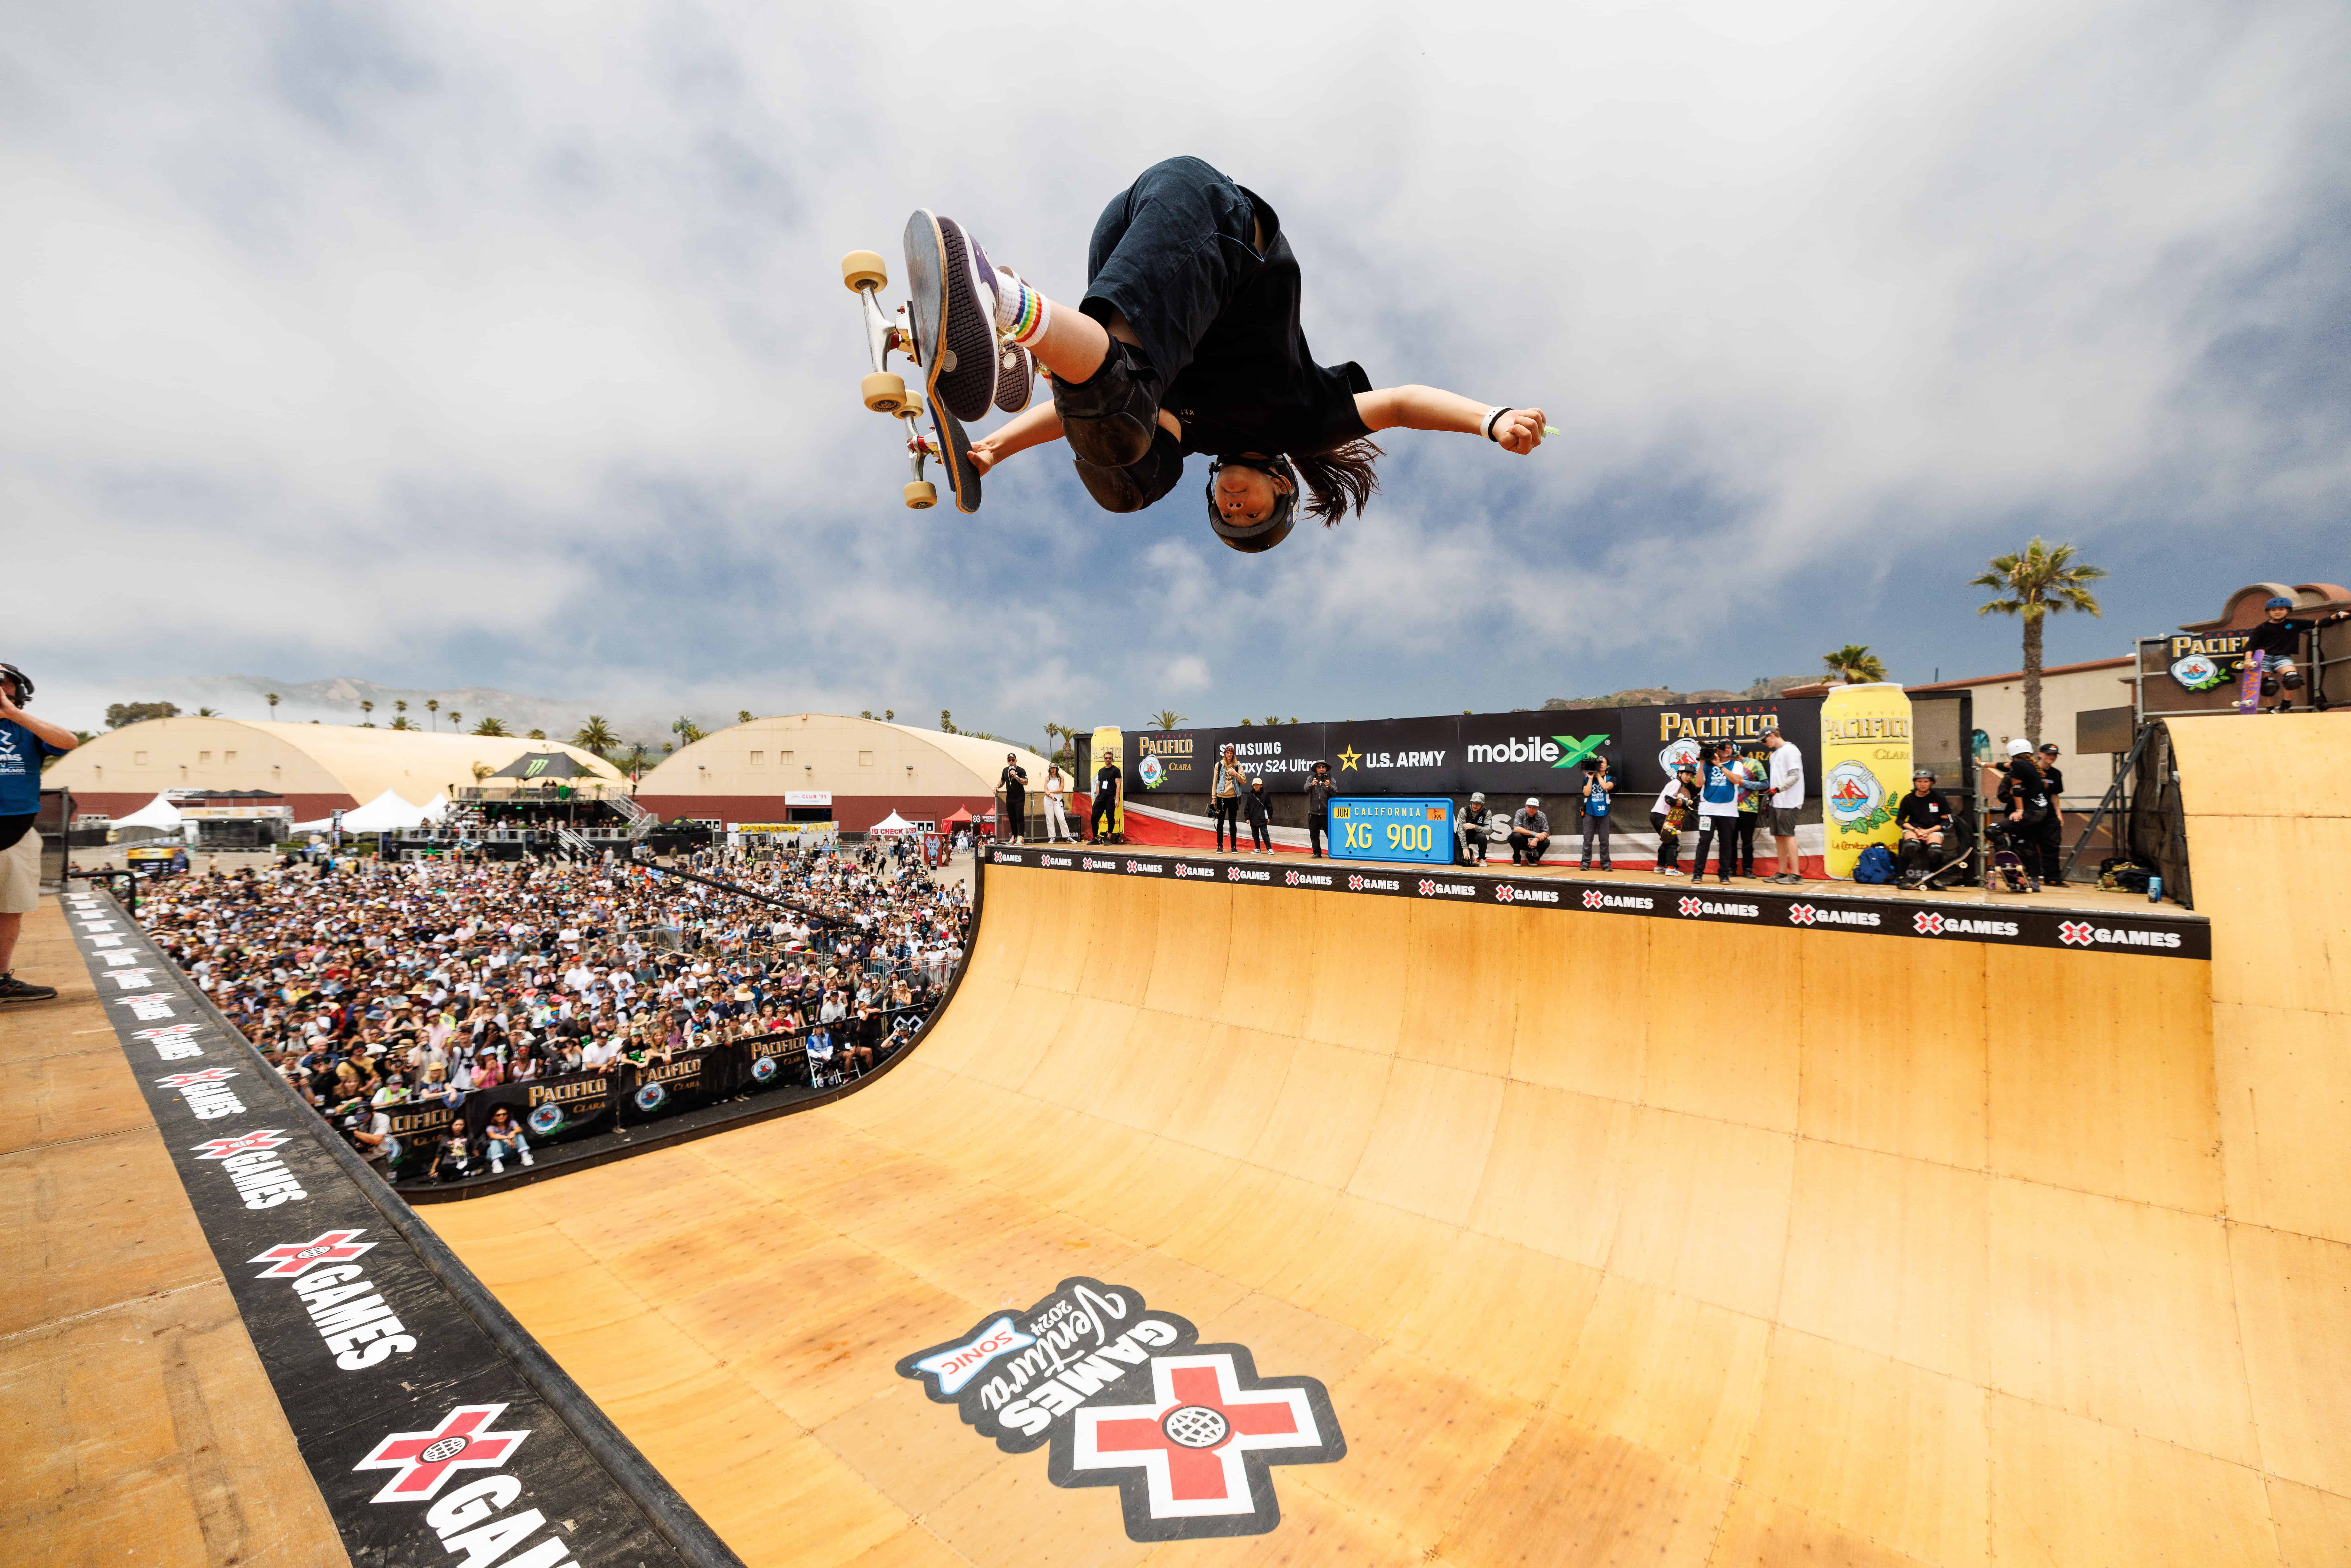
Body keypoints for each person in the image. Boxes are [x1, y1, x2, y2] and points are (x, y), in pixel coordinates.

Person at [947, 156, 1551, 552]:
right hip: (1216, 224)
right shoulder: (1304, 422)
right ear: (1283, 488)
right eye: (1250, 513)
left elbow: (1081, 421)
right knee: (1127, 413)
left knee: (1131, 472)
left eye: (1227, 516)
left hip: (1123, 234)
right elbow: (1399, 404)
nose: (1235, 507)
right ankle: (1005, 303)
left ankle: (1027, 340)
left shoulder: (1187, 433)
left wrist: (992, 450)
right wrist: (1489, 419)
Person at [0, 662, 77, 1005]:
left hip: (16, 830)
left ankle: (1, 979)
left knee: (9, 908)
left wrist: (13, 714)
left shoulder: (27, 730)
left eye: (3, 684)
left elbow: (68, 742)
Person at [2245, 595, 2351, 713]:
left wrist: (2337, 616)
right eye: (2274, 610)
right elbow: (2251, 645)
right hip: (2264, 659)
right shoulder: (2262, 628)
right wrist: (2248, 659)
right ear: (2268, 612)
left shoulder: (2294, 624)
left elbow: (2319, 623)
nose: (2277, 613)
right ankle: (2270, 710)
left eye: (2281, 610)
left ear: (2288, 611)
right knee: (2268, 686)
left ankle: (2285, 705)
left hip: (2283, 658)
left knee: (2293, 679)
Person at [1993, 738, 2051, 892]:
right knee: (2018, 846)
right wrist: (2016, 801)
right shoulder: (2011, 776)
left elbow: (2040, 798)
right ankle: (2008, 861)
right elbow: (2003, 795)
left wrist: (2023, 803)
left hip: (2029, 817)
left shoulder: (2036, 776)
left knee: (2027, 847)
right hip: (2015, 816)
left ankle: (2034, 880)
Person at [1689, 742, 1743, 885]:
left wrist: (1720, 765)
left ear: (1733, 751)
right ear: (1716, 751)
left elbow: (1736, 780)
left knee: (1727, 843)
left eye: (1729, 748)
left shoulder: (1736, 765)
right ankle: (1698, 874)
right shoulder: (1706, 765)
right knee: (1704, 841)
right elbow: (1698, 784)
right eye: (1722, 748)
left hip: (1728, 811)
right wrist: (1701, 763)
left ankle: (1724, 875)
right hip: (1708, 811)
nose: (1726, 750)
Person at [1895, 769, 1957, 888]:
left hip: (1933, 830)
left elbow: (1946, 821)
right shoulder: (1908, 799)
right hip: (1914, 830)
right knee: (1911, 846)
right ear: (1915, 783)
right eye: (1920, 782)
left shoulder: (1939, 798)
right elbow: (1900, 820)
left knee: (1936, 851)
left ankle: (1935, 879)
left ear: (1932, 783)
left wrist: (1928, 831)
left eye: (1926, 782)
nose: (1922, 784)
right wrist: (1916, 830)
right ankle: (1902, 878)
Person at [1762, 728, 1806, 884]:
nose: (1764, 744)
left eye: (1764, 740)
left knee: (1788, 835)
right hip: (1777, 801)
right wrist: (1774, 792)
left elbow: (1795, 776)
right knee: (1779, 837)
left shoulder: (1791, 750)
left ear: (1772, 736)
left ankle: (1796, 875)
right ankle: (1782, 872)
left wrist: (1778, 789)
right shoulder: (1774, 755)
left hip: (1789, 801)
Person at [1650, 763, 1698, 877]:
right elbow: (1669, 799)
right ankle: (1671, 868)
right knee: (1674, 843)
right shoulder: (1676, 783)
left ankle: (1660, 866)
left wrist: (1678, 822)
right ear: (1680, 774)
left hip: (1660, 816)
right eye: (1687, 774)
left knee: (1667, 841)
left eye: (1691, 776)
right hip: (1662, 816)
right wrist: (1683, 803)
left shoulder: (1680, 784)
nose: (1689, 778)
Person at [2033, 742, 2069, 887]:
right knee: (2030, 846)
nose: (2052, 757)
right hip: (2033, 814)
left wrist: (2059, 814)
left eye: (2054, 755)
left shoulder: (2056, 774)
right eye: (2049, 754)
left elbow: (2055, 795)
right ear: (2040, 754)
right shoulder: (2031, 771)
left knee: (2052, 846)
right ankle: (2031, 876)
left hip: (2049, 816)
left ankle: (2053, 878)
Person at [1577, 757, 1616, 871]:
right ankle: (1585, 864)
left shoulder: (1611, 779)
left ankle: (1606, 864)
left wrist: (1598, 775)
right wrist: (1590, 779)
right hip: (1590, 812)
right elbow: (1587, 793)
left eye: (1603, 763)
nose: (1601, 765)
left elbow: (1606, 787)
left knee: (1604, 841)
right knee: (1588, 840)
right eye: (1599, 763)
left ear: (1607, 766)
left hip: (1604, 813)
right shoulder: (1586, 779)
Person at [1211, 744, 1245, 852]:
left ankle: (1234, 847)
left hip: (1233, 798)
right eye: (1228, 753)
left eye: (1231, 753)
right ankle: (1220, 846)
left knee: (1233, 823)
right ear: (1225, 754)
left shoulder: (1238, 766)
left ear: (1233, 755)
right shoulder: (1219, 765)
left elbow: (1244, 781)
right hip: (1221, 797)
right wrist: (1214, 799)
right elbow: (1214, 783)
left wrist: (1236, 774)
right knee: (1220, 822)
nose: (1229, 755)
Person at [480, 1104, 534, 1171]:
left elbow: (519, 1129)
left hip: (511, 1150)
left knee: (519, 1135)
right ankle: (496, 1164)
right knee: (495, 1141)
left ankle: (525, 1156)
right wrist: (508, 1138)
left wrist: (514, 1132)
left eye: (504, 1114)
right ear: (494, 1117)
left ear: (508, 1115)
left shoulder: (512, 1122)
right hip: (494, 1154)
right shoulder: (490, 1127)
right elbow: (493, 1136)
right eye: (499, 1115)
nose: (502, 1116)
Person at [1306, 761, 1337, 858]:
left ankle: (1335, 852)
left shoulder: (1331, 779)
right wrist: (1312, 785)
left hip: (1326, 813)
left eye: (1323, 767)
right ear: (1316, 769)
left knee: (1331, 835)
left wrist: (1329, 786)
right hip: (1313, 813)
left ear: (1326, 769)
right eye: (1319, 767)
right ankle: (1317, 853)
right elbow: (1306, 789)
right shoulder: (1311, 778)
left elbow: (1335, 792)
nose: (1321, 769)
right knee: (1314, 835)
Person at [1508, 797, 1551, 866]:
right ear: (1526, 807)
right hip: (1522, 840)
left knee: (1546, 842)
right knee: (1516, 836)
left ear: (1538, 808)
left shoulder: (1542, 815)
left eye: (1534, 808)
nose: (1532, 810)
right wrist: (1535, 834)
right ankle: (1517, 858)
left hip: (1534, 841)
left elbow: (1547, 832)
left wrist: (1537, 839)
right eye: (1529, 807)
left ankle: (1531, 857)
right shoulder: (1520, 812)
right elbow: (1516, 828)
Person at [1089, 750, 1122, 842]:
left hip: (1111, 798)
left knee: (1110, 817)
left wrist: (1117, 799)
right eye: (1106, 758)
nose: (1108, 760)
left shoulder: (1116, 770)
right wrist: (1097, 797)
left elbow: (1119, 785)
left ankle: (1108, 838)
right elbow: (1099, 784)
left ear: (1112, 759)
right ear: (1104, 759)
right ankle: (1095, 838)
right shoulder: (1101, 771)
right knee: (1094, 817)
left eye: (1110, 758)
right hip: (1101, 798)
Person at [998, 752, 1029, 843]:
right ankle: (1014, 836)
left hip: (1019, 797)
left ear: (1016, 761)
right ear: (1008, 762)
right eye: (1009, 760)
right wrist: (997, 787)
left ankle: (1021, 837)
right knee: (1012, 818)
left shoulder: (1021, 770)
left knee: (1020, 817)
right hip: (1010, 798)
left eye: (1013, 760)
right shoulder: (1005, 770)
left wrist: (1016, 776)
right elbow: (1003, 781)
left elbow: (1026, 782)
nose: (1011, 762)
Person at [1456, 791, 1491, 866]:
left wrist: (1475, 827)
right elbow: (1461, 830)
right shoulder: (1464, 811)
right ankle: (1470, 852)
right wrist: (1465, 848)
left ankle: (1482, 859)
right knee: (1460, 862)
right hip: (1465, 835)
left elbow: (1489, 831)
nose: (1475, 806)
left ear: (1482, 804)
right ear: (1471, 802)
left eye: (1478, 804)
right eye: (1474, 803)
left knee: (1482, 837)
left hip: (1477, 836)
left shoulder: (1487, 812)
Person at [1042, 764, 1074, 842]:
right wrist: (1051, 796)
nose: (1053, 770)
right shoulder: (1047, 778)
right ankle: (1052, 838)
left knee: (1061, 818)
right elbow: (1046, 791)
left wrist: (1051, 792)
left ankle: (1067, 837)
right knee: (1050, 819)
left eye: (1054, 768)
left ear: (1057, 769)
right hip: (1048, 800)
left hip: (1058, 799)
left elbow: (1061, 789)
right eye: (1051, 768)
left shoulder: (1061, 777)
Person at [1244, 776, 1273, 853]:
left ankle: (1269, 849)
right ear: (1253, 786)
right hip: (1253, 819)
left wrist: (1269, 817)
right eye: (1255, 785)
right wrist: (1247, 818)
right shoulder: (1251, 795)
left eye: (1258, 785)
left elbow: (1269, 807)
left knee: (1265, 834)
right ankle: (1258, 849)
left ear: (1261, 786)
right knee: (1255, 835)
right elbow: (1247, 807)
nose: (1256, 787)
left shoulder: (1265, 794)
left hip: (1263, 818)